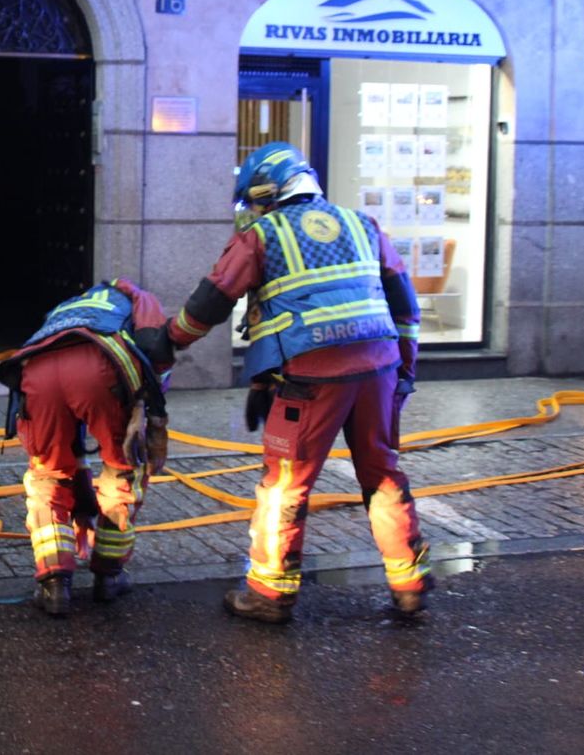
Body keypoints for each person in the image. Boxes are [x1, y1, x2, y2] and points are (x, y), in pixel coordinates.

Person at [144, 142, 429, 624]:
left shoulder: (263, 235)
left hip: (312, 378)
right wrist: (404, 371)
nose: (248, 212)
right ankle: (410, 585)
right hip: (377, 369)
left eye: (250, 203)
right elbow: (404, 303)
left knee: (285, 486)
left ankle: (269, 594)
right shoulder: (363, 225)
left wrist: (170, 340)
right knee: (382, 475)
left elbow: (213, 301)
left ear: (266, 194)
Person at [0, 279, 173, 617]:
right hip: (100, 365)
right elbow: (156, 350)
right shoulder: (140, 299)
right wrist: (152, 412)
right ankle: (108, 575)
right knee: (123, 469)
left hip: (36, 369)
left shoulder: (71, 305)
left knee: (48, 475)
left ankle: (53, 583)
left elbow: (70, 444)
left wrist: (80, 497)